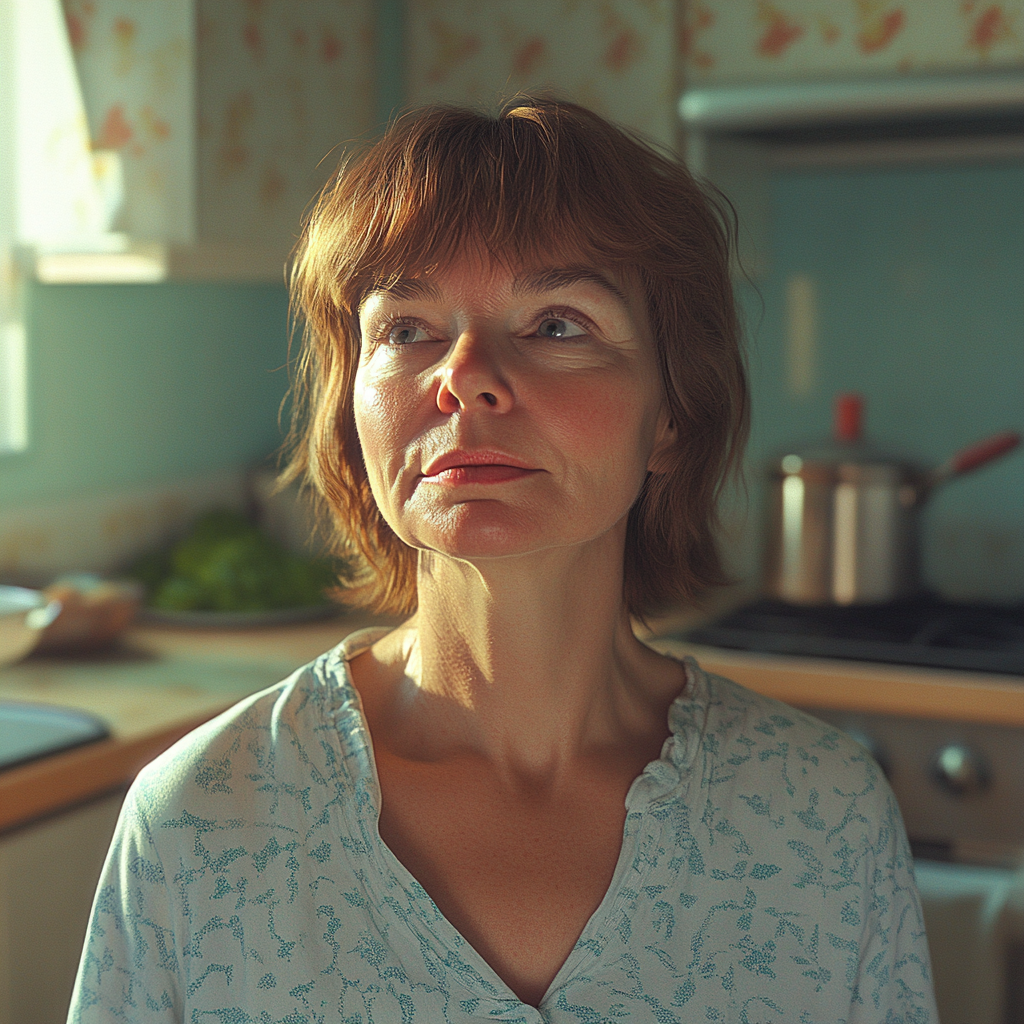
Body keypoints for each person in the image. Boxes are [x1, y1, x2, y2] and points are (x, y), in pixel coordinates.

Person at [68, 98, 937, 1023]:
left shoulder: (826, 820)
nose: (465, 375)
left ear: (673, 415)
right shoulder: (203, 821)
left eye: (558, 323)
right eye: (407, 329)